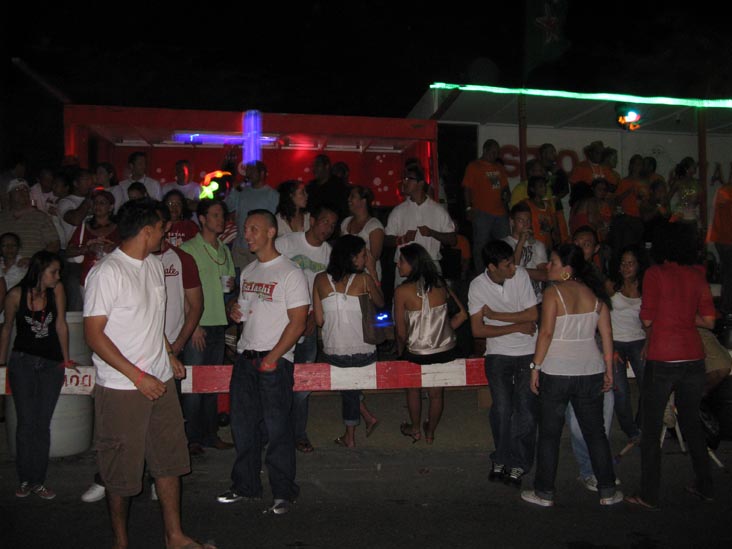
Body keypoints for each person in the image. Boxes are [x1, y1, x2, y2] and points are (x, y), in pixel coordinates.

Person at [83, 198, 210, 548]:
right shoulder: (107, 273)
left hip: (161, 381)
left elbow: (153, 323)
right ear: (146, 231)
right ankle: (121, 542)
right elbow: (94, 335)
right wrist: (138, 376)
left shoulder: (155, 266)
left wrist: (168, 354)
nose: (166, 232)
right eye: (161, 227)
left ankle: (175, 536)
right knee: (121, 472)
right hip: (123, 387)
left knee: (169, 462)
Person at [217, 209, 309, 516]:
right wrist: (234, 310)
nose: (248, 234)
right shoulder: (250, 271)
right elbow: (246, 310)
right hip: (245, 358)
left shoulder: (290, 272)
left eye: (254, 229)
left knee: (278, 429)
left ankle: (283, 491)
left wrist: (273, 358)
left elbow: (298, 323)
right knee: (243, 428)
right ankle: (245, 485)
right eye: (246, 229)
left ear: (271, 232)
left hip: (274, 361)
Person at [521, 243, 623, 507]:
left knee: (550, 434)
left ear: (567, 270)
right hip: (590, 371)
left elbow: (545, 334)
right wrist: (609, 370)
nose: (548, 267)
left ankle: (544, 492)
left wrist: (535, 367)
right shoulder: (596, 296)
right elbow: (607, 335)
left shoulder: (554, 293)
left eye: (553, 263)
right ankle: (608, 490)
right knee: (595, 432)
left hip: (557, 372)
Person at [625, 222, 716, 509]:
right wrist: (683, 317)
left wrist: (668, 316)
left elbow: (648, 320)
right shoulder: (697, 275)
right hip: (693, 357)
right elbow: (709, 322)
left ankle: (649, 494)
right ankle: (705, 485)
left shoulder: (655, 274)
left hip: (663, 357)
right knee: (691, 424)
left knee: (651, 431)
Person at [0, 250, 72, 500]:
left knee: (42, 425)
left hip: (51, 364)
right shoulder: (16, 295)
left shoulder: (57, 289)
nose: (57, 276)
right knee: (25, 423)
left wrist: (66, 358)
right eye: (53, 271)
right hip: (23, 362)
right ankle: (25, 479)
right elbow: (7, 328)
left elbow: (61, 323)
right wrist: (1, 363)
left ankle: (38, 480)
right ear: (40, 272)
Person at [468, 240, 538, 486]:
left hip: (528, 351)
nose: (513, 268)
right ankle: (501, 457)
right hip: (498, 353)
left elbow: (533, 314)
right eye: (507, 265)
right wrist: (517, 326)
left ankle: (519, 462)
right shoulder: (477, 286)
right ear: (492, 266)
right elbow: (477, 330)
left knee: (526, 411)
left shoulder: (520, 277)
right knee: (502, 409)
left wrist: (497, 317)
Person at [275, 205, 338, 453]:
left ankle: (298, 433)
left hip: (309, 323)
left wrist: (314, 315)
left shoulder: (328, 253)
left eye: (332, 225)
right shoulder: (287, 243)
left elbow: (324, 289)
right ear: (313, 219)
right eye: (325, 222)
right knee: (277, 378)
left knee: (302, 381)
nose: (328, 228)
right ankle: (276, 432)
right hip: (281, 321)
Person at [312, 234, 383, 448]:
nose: (366, 258)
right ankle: (362, 424)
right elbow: (380, 302)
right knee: (350, 389)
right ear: (352, 258)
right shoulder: (364, 279)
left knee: (348, 389)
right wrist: (372, 270)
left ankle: (350, 436)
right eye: (363, 255)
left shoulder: (319, 279)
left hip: (334, 348)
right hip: (364, 349)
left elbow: (319, 320)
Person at [394, 243, 467, 444]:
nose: (397, 265)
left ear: (412, 263)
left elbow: (401, 331)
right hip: (443, 350)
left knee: (413, 389)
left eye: (401, 261)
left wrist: (402, 351)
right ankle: (430, 432)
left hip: (416, 351)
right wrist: (443, 332)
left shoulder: (402, 291)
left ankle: (415, 429)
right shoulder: (441, 285)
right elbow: (462, 315)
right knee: (436, 394)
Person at [179, 199, 236, 455]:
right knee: (192, 385)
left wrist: (231, 299)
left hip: (219, 323)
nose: (220, 220)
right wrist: (194, 324)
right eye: (214, 215)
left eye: (221, 215)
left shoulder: (224, 249)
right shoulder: (188, 248)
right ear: (201, 219)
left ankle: (210, 434)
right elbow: (179, 289)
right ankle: (191, 438)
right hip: (198, 325)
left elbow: (229, 285)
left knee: (212, 383)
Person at [385, 159, 456, 289]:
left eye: (409, 179)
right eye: (404, 178)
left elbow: (452, 239)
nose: (404, 182)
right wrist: (402, 239)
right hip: (404, 267)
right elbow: (387, 239)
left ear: (421, 183)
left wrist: (432, 233)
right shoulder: (398, 211)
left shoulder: (438, 210)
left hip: (430, 265)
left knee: (433, 305)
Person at [606, 244, 647, 447]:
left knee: (648, 384)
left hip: (638, 339)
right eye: (623, 263)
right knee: (620, 389)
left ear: (639, 265)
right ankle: (630, 430)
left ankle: (641, 423)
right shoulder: (611, 286)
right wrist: (609, 347)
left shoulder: (646, 287)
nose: (626, 267)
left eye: (630, 263)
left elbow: (650, 320)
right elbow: (601, 317)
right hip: (615, 340)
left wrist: (649, 343)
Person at [461, 139, 511, 273]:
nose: (495, 155)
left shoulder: (499, 167)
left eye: (497, 152)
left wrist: (506, 195)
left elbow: (505, 187)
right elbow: (467, 188)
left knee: (505, 244)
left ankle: (503, 271)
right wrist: (468, 208)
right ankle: (481, 273)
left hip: (500, 213)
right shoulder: (474, 166)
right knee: (481, 246)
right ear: (485, 150)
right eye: (493, 152)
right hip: (482, 212)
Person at [225, 161, 278, 271]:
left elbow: (274, 221)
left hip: (260, 247)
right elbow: (227, 207)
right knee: (239, 281)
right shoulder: (242, 191)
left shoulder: (272, 194)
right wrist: (235, 190)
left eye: (252, 171)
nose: (248, 174)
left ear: (262, 173)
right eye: (247, 171)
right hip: (240, 246)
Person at [65, 189, 120, 290]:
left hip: (114, 279)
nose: (97, 206)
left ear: (111, 207)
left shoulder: (119, 228)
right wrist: (88, 249)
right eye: (95, 203)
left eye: (102, 203)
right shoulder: (84, 227)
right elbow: (68, 252)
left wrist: (115, 248)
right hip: (88, 279)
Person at [0, 179, 60, 258]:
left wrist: (35, 261)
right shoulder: (2, 217)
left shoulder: (41, 217)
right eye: (17, 189)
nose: (22, 192)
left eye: (25, 190)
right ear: (8, 195)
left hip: (31, 268)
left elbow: (54, 244)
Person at [503, 202, 548, 303]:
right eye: (521, 221)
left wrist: (520, 271)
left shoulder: (538, 245)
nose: (525, 225)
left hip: (537, 298)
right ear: (512, 222)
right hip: (514, 299)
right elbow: (511, 273)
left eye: (528, 221)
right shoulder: (503, 244)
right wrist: (520, 243)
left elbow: (545, 275)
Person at [340, 185, 385, 281]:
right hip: (346, 276)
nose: (348, 199)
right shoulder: (346, 222)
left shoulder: (374, 226)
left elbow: (373, 258)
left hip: (367, 278)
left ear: (363, 201)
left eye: (352, 196)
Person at [707, 174, 732, 319]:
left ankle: (725, 306)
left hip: (721, 240)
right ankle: (726, 307)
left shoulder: (723, 190)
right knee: (729, 275)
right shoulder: (725, 191)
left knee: (727, 274)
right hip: (727, 240)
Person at [305, 154, 350, 223]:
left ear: (327, 166)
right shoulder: (311, 186)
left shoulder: (338, 186)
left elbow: (343, 210)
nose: (314, 169)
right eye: (313, 166)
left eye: (317, 165)